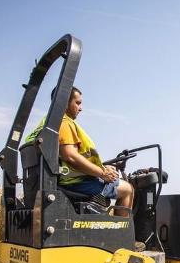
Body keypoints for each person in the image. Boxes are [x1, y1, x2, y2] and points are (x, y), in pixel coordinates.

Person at [24, 86, 134, 217]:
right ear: (64, 102)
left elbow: (67, 159)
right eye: (77, 103)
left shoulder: (46, 124)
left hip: (61, 180)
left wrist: (101, 167)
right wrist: (102, 173)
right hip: (74, 183)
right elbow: (71, 156)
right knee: (128, 189)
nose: (80, 108)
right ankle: (121, 235)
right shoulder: (64, 123)